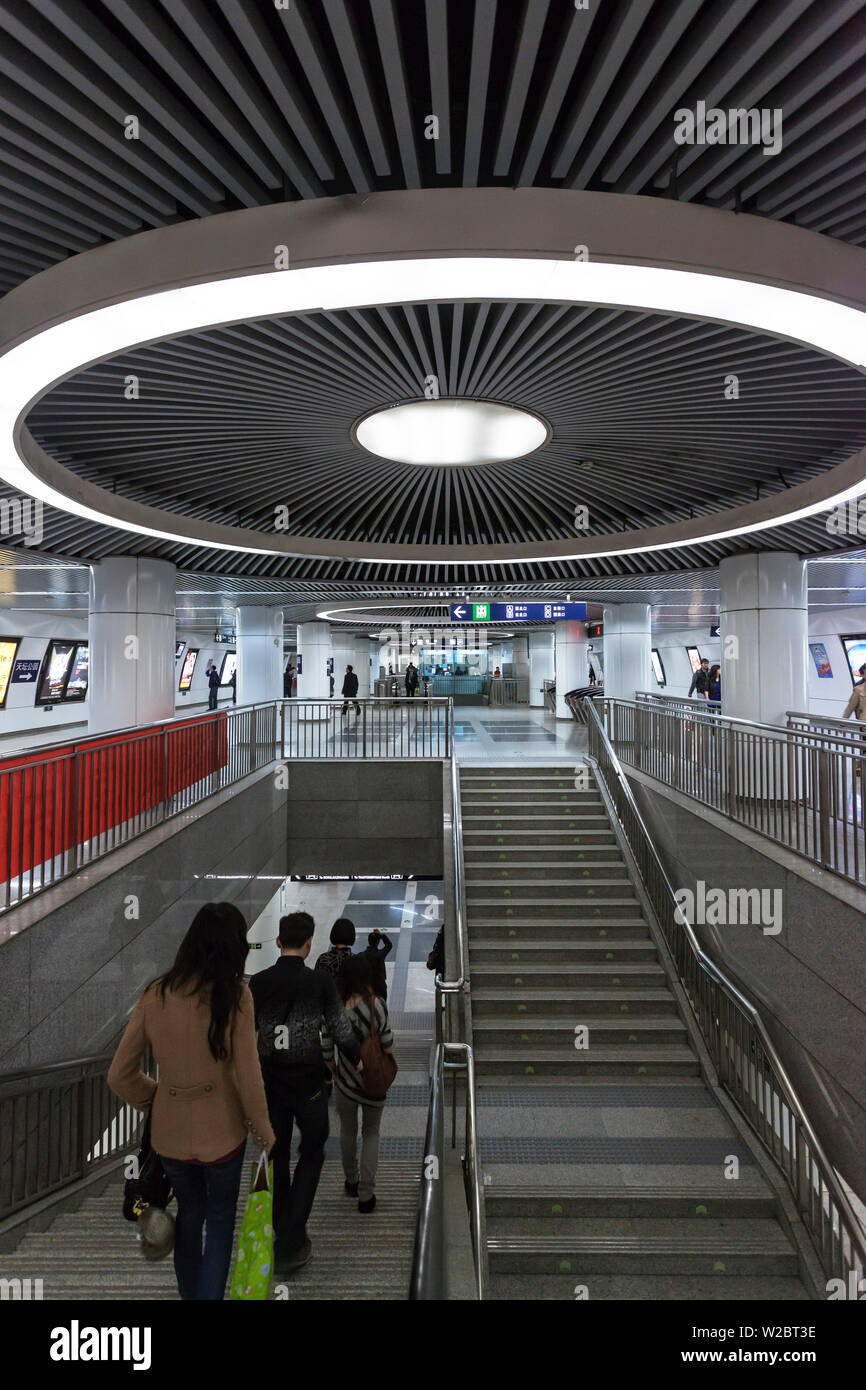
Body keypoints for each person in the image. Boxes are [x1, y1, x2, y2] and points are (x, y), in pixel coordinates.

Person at [108, 903, 275, 1301]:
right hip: (223, 1136)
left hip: (171, 1138)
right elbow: (249, 1075)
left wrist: (158, 1098)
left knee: (189, 1216)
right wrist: (264, 1131)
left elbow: (118, 1075)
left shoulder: (156, 993)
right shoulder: (236, 997)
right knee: (218, 1223)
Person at [249, 912, 362, 1275]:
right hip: (310, 1084)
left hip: (270, 1083)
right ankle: (292, 1234)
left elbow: (244, 1033)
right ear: (310, 942)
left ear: (279, 942)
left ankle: (282, 1228)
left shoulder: (259, 984)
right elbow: (340, 1028)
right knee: (312, 1150)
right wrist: (355, 1058)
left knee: (276, 1153)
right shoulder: (319, 983)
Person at [322, 955, 394, 1214]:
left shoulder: (335, 1006)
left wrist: (334, 1070)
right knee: (371, 1132)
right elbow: (387, 1044)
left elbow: (327, 1048)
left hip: (345, 1084)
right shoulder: (377, 1005)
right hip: (373, 1083)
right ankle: (367, 1194)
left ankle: (351, 1182)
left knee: (348, 1132)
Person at [357, 928, 393, 1000]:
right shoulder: (380, 954)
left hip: (366, 987)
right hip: (380, 986)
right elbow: (389, 945)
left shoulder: (360, 955)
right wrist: (381, 935)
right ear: (378, 942)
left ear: (368, 941)